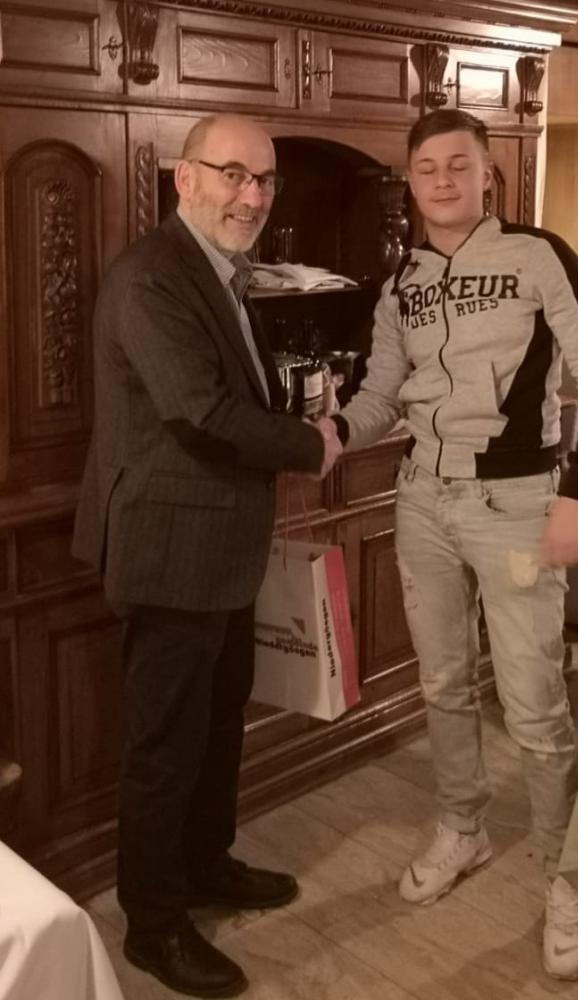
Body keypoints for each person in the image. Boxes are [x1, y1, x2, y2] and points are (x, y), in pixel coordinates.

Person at [330, 109, 578, 981]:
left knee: (534, 702)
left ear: (487, 174)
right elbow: (380, 392)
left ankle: (564, 873)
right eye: (427, 168)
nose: (443, 180)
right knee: (442, 681)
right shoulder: (402, 282)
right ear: (411, 181)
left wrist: (576, 496)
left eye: (459, 165)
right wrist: (330, 433)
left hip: (516, 504)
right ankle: (462, 826)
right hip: (422, 499)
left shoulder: (539, 255)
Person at [72, 113, 342, 998]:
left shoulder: (221, 271)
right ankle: (153, 925)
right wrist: (310, 444)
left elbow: (233, 396)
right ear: (184, 178)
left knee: (218, 724)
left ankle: (204, 864)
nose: (252, 196)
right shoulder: (153, 277)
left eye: (264, 180)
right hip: (170, 548)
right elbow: (201, 411)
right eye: (233, 174)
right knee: (164, 746)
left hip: (220, 548)